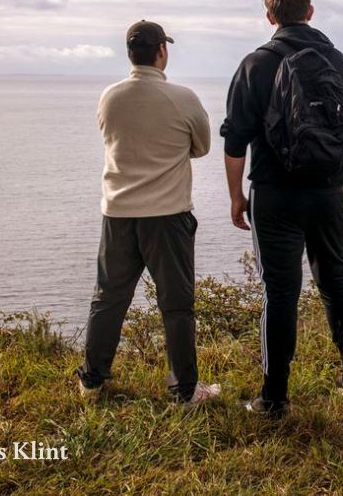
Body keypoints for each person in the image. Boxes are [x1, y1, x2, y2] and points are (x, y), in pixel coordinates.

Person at [221, 0, 343, 418]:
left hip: (275, 194)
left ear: (270, 17)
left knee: (280, 292)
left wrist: (235, 198)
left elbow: (234, 140)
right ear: (311, 11)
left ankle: (274, 397)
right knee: (334, 278)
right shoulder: (339, 63)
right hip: (327, 191)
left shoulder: (255, 64)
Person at [76, 20, 220, 405]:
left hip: (118, 213)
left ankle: (92, 380)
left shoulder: (110, 97)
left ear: (129, 53)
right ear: (161, 51)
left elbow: (113, 139)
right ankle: (185, 390)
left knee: (108, 298)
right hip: (168, 215)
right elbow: (202, 146)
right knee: (176, 305)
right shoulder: (183, 97)